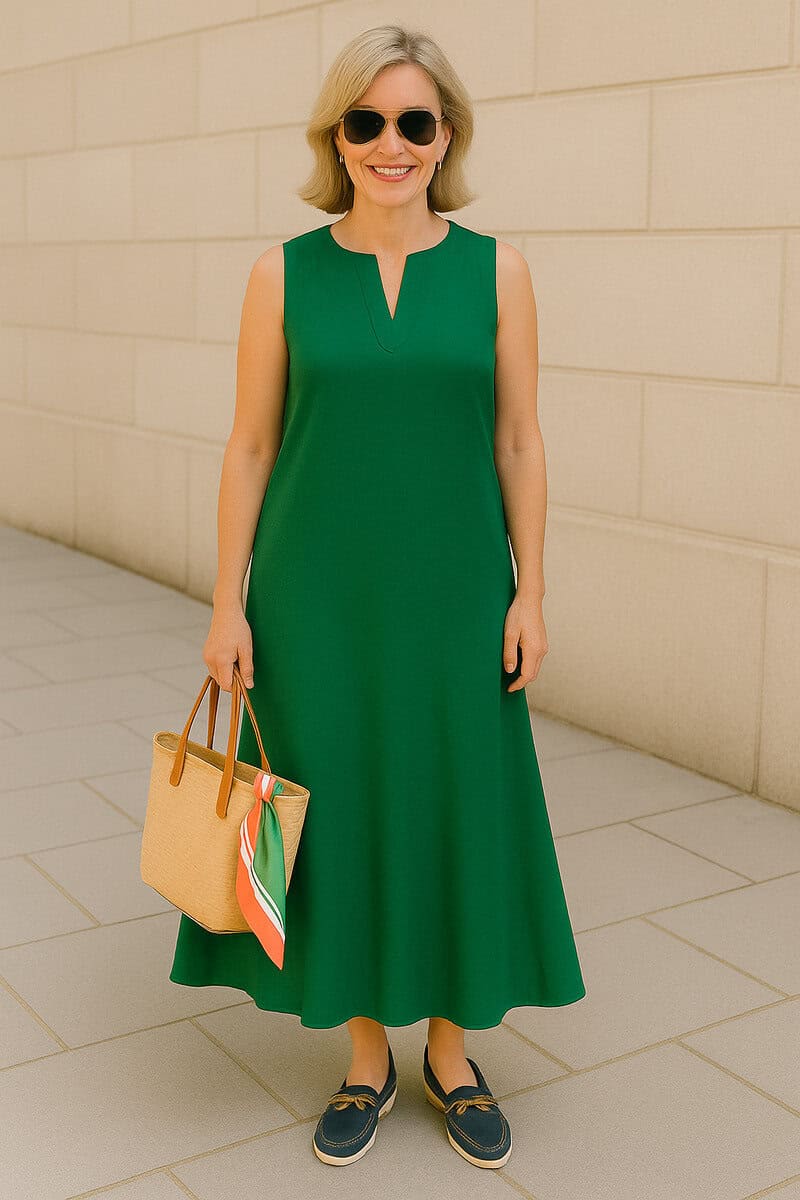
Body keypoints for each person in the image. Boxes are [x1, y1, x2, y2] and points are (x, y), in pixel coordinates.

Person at [168, 22, 586, 1170]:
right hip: (315, 601)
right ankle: (363, 1051)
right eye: (366, 122)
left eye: (413, 121)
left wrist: (529, 591)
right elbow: (249, 447)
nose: (389, 143)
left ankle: (450, 1050)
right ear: (335, 137)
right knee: (336, 807)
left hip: (456, 594)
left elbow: (517, 438)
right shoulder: (280, 274)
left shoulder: (497, 268)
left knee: (458, 798)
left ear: (443, 134)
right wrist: (227, 603)